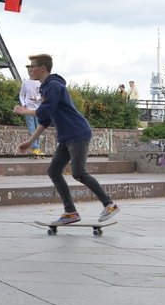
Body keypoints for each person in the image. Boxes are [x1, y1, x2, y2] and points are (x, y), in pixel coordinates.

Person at [14, 53, 119, 225]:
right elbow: (46, 120)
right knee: (53, 171)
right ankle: (70, 212)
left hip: (77, 133)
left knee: (79, 173)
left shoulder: (53, 86)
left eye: (32, 66)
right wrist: (30, 141)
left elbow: (44, 111)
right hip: (66, 136)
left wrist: (24, 111)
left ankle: (110, 205)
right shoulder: (46, 87)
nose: (30, 69)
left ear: (43, 68)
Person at [18, 75, 42, 155]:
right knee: (31, 128)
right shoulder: (25, 83)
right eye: (29, 70)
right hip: (28, 108)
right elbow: (21, 95)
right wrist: (23, 104)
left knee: (38, 128)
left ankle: (37, 147)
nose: (30, 72)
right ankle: (36, 147)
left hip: (38, 109)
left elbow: (43, 95)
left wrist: (37, 98)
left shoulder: (40, 82)